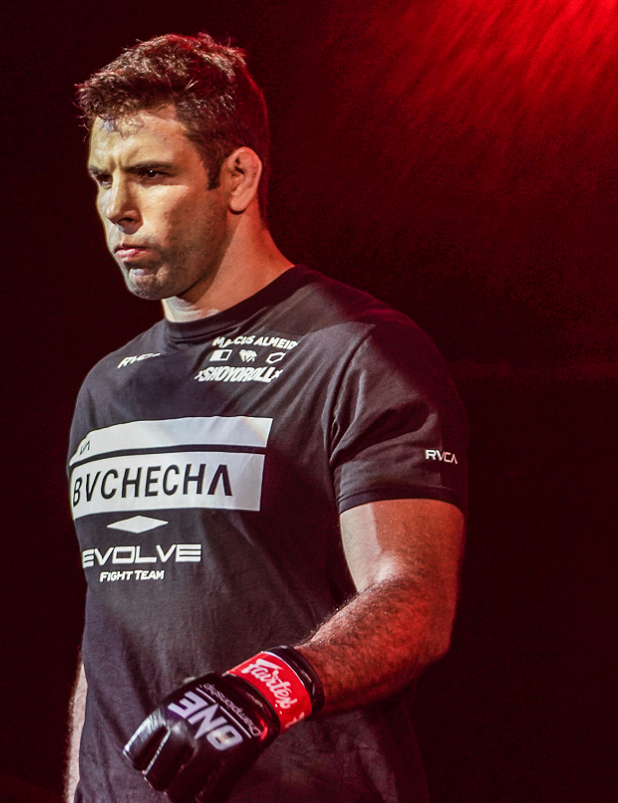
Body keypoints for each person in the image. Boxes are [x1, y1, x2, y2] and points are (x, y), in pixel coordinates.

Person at [65, 33, 468, 803]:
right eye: (102, 177)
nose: (117, 208)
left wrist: (266, 688)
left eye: (151, 174)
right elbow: (108, 642)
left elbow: (416, 598)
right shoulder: (106, 389)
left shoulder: (357, 351)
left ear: (239, 176)